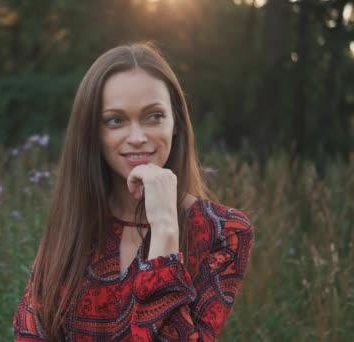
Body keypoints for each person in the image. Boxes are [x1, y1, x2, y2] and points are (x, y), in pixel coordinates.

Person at [13, 42, 255, 341]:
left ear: (176, 121)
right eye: (115, 120)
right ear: (93, 133)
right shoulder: (74, 224)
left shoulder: (225, 232)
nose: (138, 137)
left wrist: (166, 229)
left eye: (154, 116)